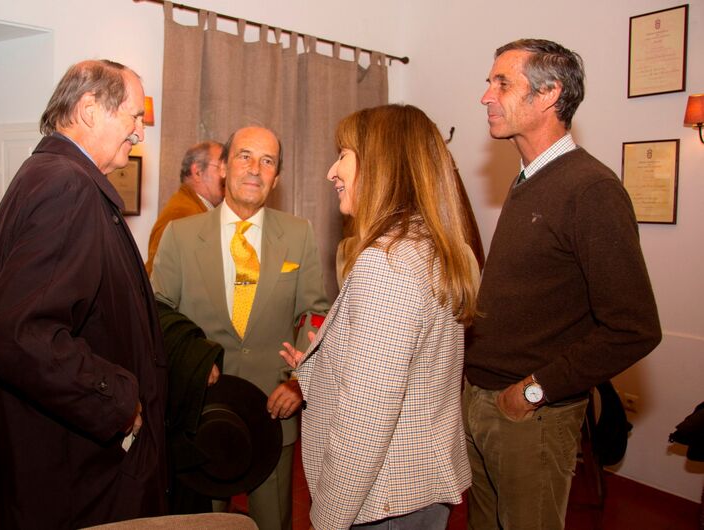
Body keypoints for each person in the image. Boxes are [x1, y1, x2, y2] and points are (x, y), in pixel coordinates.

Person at [465, 39, 662, 530]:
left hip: (528, 414)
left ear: (549, 93)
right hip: (482, 399)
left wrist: (534, 392)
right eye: (490, 83)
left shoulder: (591, 189)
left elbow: (634, 328)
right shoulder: (528, 180)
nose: (486, 96)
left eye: (502, 83)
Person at [0, 60, 167, 529]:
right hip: (76, 468)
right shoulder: (66, 185)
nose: (139, 133)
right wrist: (119, 402)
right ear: (90, 109)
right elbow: (18, 333)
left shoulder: (45, 173)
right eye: (134, 116)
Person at [281, 104, 479, 529]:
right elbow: (412, 374)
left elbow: (366, 421)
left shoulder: (386, 265)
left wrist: (327, 520)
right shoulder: (429, 246)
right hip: (414, 488)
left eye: (343, 155)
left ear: (380, 163)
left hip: (381, 501)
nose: (332, 172)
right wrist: (323, 364)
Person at [151, 125, 329, 530]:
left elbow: (315, 314)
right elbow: (157, 311)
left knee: (273, 523)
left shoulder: (298, 234)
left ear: (276, 177)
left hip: (274, 410)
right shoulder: (181, 235)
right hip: (202, 411)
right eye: (244, 156)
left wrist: (299, 381)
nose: (255, 169)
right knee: (203, 525)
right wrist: (192, 359)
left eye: (267, 161)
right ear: (223, 169)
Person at [145, 140, 224, 274]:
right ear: (198, 172)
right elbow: (157, 275)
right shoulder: (181, 214)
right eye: (220, 168)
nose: (225, 175)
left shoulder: (194, 208)